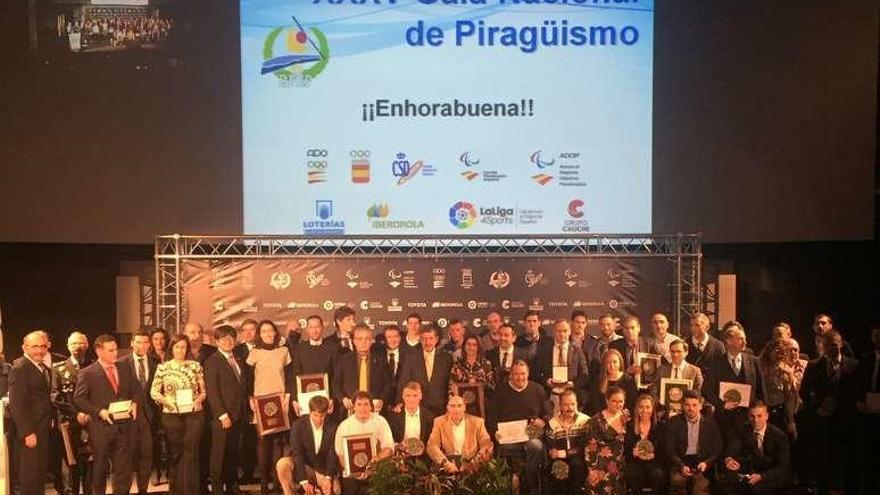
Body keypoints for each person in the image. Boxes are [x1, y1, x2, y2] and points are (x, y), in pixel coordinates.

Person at [74, 334, 144, 495]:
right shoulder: (88, 373)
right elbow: (79, 399)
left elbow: (137, 390)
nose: (115, 354)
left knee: (123, 469)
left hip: (124, 426)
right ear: (99, 351)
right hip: (101, 428)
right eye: (110, 350)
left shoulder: (125, 367)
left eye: (116, 350)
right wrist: (99, 411)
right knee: (99, 469)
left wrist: (134, 403)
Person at [799, 330, 860, 495]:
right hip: (821, 424)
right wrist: (818, 406)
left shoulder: (853, 366)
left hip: (845, 423)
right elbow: (804, 392)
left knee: (845, 464)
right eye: (826, 345)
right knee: (822, 464)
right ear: (822, 347)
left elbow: (857, 394)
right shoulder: (813, 366)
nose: (830, 348)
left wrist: (838, 404)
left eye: (833, 344)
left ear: (840, 344)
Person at [150, 333, 207, 495]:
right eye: (177, 347)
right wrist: (168, 402)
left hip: (194, 415)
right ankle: (176, 491)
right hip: (171, 415)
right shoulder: (163, 367)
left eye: (183, 347)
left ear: (187, 348)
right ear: (171, 348)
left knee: (191, 453)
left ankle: (192, 491)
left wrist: (198, 401)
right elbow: (154, 392)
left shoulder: (195, 366)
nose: (180, 350)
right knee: (176, 454)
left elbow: (203, 392)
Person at [247, 320, 293, 495]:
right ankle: (264, 484)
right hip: (260, 403)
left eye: (270, 330)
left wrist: (287, 397)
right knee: (262, 443)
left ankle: (277, 483)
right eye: (264, 331)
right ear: (259, 334)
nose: (267, 334)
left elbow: (289, 377)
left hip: (279, 402)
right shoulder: (254, 353)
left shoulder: (284, 351)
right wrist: (250, 398)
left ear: (275, 333)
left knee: (278, 444)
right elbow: (248, 380)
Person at [491, 360, 549, 495]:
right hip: (508, 436)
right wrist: (495, 432)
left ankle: (530, 486)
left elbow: (547, 413)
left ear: (528, 374)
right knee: (504, 450)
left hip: (531, 433)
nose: (520, 377)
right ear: (511, 375)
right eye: (516, 374)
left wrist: (543, 421)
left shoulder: (538, 389)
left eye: (523, 374)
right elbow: (492, 415)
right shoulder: (501, 391)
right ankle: (516, 481)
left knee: (535, 446)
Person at [9, 331, 55, 495]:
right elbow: (16, 404)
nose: (40, 350)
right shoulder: (21, 367)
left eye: (43, 346)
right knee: (30, 476)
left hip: (41, 430)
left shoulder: (40, 367)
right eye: (35, 346)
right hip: (30, 433)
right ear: (24, 347)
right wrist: (27, 432)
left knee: (38, 475)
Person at [205, 325, 249, 495]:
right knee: (219, 454)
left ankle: (232, 487)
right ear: (217, 341)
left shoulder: (238, 359)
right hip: (222, 417)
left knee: (232, 453)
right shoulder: (212, 361)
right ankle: (216, 489)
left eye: (231, 337)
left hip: (239, 415)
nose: (228, 341)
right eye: (223, 338)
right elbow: (212, 391)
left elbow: (243, 388)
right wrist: (222, 414)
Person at [51, 330, 94, 495]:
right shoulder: (59, 369)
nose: (78, 346)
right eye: (74, 343)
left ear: (87, 345)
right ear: (68, 347)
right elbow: (56, 397)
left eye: (81, 343)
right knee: (70, 464)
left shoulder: (93, 365)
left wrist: (89, 413)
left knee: (91, 463)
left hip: (90, 421)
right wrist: (76, 414)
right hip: (68, 423)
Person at [118, 329, 158, 495]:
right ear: (132, 343)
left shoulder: (156, 362)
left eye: (146, 342)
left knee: (146, 455)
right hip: (127, 416)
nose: (142, 346)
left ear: (150, 345)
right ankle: (123, 490)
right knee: (126, 458)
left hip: (149, 416)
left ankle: (143, 489)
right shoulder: (121, 363)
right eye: (139, 342)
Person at [706, 322, 763, 437]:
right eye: (741, 339)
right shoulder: (715, 363)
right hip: (724, 421)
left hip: (748, 421)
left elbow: (761, 390)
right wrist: (722, 405)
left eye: (744, 339)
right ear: (729, 341)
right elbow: (706, 390)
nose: (745, 342)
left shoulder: (754, 361)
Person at [721, 401, 791, 495]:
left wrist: (762, 476)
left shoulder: (779, 436)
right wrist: (728, 459)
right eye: (752, 416)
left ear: (767, 416)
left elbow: (783, 466)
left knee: (756, 489)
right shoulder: (744, 429)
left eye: (759, 416)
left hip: (772, 475)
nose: (755, 420)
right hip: (752, 471)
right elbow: (732, 449)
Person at [334, 392, 394, 495]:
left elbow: (389, 449)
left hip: (375, 471)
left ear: (371, 407)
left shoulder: (381, 422)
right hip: (351, 475)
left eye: (366, 404)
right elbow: (341, 455)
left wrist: (375, 461)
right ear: (353, 407)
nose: (363, 408)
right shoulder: (344, 426)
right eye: (359, 404)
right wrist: (353, 471)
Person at [278, 396, 339, 495]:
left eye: (322, 416)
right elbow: (297, 453)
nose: (318, 419)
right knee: (282, 464)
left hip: (322, 469)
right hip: (304, 467)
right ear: (309, 412)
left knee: (336, 490)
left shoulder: (333, 426)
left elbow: (332, 455)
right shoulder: (298, 425)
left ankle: (315, 490)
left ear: (326, 413)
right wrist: (304, 481)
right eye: (315, 415)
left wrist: (328, 477)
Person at [665, 390, 722, 495]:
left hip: (702, 461)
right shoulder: (673, 422)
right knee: (677, 481)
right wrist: (681, 465)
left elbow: (717, 450)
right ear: (682, 406)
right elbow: (669, 450)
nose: (690, 408)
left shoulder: (710, 424)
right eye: (687, 405)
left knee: (700, 487)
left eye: (694, 405)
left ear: (700, 406)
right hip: (680, 460)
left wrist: (706, 463)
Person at [333, 324, 391, 415]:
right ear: (354, 341)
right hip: (350, 410)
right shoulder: (344, 360)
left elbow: (388, 383)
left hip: (374, 411)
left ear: (372, 341)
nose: (363, 342)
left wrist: (382, 399)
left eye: (367, 339)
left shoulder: (381, 360)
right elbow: (336, 383)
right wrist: (343, 398)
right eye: (359, 339)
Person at [426, 394, 493, 471]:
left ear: (464, 407)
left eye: (459, 406)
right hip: (449, 462)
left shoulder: (478, 422)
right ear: (448, 408)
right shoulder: (439, 422)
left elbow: (487, 444)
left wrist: (474, 463)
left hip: (472, 463)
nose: (456, 409)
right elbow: (432, 446)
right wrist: (446, 463)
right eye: (453, 406)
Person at [396, 325, 452, 416]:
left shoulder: (446, 358)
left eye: (431, 338)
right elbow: (404, 381)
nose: (427, 342)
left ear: (437, 339)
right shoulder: (411, 358)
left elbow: (449, 383)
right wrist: (400, 401)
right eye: (424, 339)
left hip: (441, 408)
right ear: (420, 340)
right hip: (418, 408)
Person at [544, 389, 590, 495]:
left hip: (579, 458)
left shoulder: (585, 421)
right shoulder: (552, 423)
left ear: (577, 404)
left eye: (572, 404)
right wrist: (554, 452)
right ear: (559, 406)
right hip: (559, 460)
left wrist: (564, 453)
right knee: (559, 469)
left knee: (576, 465)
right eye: (565, 405)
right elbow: (551, 448)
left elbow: (584, 446)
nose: (570, 408)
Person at [535, 318, 589, 408]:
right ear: (553, 332)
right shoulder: (544, 350)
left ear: (570, 332)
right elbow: (536, 373)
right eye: (558, 331)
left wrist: (573, 384)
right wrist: (547, 381)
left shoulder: (577, 350)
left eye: (565, 331)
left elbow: (585, 374)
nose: (562, 334)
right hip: (550, 397)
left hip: (571, 397)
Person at [585, 385, 628, 495]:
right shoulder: (596, 420)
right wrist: (592, 468)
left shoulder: (626, 418)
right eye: (614, 401)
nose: (618, 404)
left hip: (622, 462)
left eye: (621, 401)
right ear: (607, 400)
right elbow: (591, 446)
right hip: (601, 463)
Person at [757, 337, 803, 439]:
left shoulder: (785, 372)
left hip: (780, 414)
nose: (780, 354)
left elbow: (790, 398)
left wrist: (791, 422)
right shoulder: (761, 368)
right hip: (763, 412)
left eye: (783, 352)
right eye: (777, 351)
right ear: (770, 351)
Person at [292, 315, 337, 417]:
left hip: (327, 401)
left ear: (322, 328)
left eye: (317, 327)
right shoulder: (300, 348)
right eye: (311, 327)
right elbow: (295, 375)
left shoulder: (333, 348)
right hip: (306, 401)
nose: (314, 330)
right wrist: (295, 399)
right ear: (307, 329)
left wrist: (333, 399)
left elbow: (336, 376)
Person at [234, 318, 259, 485]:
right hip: (243, 401)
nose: (249, 333)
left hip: (263, 397)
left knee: (261, 438)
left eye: (252, 329)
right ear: (242, 333)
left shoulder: (265, 348)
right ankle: (246, 472)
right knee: (245, 438)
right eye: (246, 330)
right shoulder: (236, 351)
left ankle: (263, 472)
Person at [625, 393, 665, 494]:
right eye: (641, 407)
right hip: (635, 462)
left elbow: (664, 450)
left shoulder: (660, 426)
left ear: (652, 409)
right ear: (637, 409)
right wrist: (634, 453)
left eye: (648, 407)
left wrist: (654, 455)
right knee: (633, 474)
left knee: (657, 474)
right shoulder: (629, 426)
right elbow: (626, 450)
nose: (644, 410)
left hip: (654, 462)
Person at [652, 339, 704, 412]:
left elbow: (698, 395)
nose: (675, 354)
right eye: (672, 351)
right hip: (664, 412)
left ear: (686, 352)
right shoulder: (661, 370)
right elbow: (653, 392)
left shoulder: (695, 371)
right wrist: (661, 407)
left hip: (686, 413)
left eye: (678, 351)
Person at [386, 381, 435, 445]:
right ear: (403, 396)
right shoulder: (393, 417)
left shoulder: (429, 417)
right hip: (400, 453)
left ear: (421, 396)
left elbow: (431, 442)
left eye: (415, 395)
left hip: (423, 454)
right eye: (408, 395)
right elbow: (390, 441)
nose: (411, 399)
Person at [589, 349, 637, 414]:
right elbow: (596, 404)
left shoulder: (628, 380)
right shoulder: (598, 381)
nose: (612, 365)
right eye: (608, 362)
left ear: (620, 362)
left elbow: (632, 403)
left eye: (615, 362)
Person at [449, 333, 496, 399]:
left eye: (474, 345)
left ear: (478, 347)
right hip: (461, 404)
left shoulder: (486, 364)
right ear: (464, 346)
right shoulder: (457, 365)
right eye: (468, 344)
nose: (471, 348)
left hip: (482, 402)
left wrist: (477, 382)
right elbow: (451, 386)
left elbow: (492, 385)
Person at [372, 324, 406, 410]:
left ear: (400, 338)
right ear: (385, 339)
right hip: (380, 403)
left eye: (395, 336)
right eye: (389, 337)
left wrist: (402, 401)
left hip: (401, 403)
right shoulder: (376, 354)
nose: (393, 340)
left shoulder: (409, 355)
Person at [687, 313, 726, 379]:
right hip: (691, 386)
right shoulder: (684, 344)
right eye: (691, 325)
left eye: (697, 325)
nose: (693, 328)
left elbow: (723, 370)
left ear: (707, 327)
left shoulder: (718, 346)